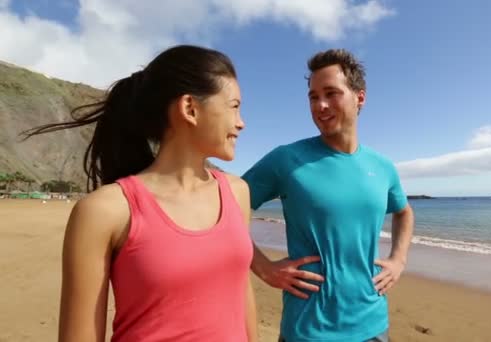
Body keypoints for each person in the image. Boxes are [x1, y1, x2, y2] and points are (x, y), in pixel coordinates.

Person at [23, 45, 257, 342]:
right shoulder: (105, 210)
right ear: (190, 108)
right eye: (234, 106)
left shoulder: (237, 193)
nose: (241, 122)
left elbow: (241, 291)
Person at [242, 49, 415, 341]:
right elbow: (224, 210)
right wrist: (264, 268)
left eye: (331, 93)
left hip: (373, 326)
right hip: (308, 329)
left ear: (360, 97)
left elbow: (404, 212)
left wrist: (398, 260)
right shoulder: (287, 160)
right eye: (313, 96)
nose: (320, 105)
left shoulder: (382, 167)